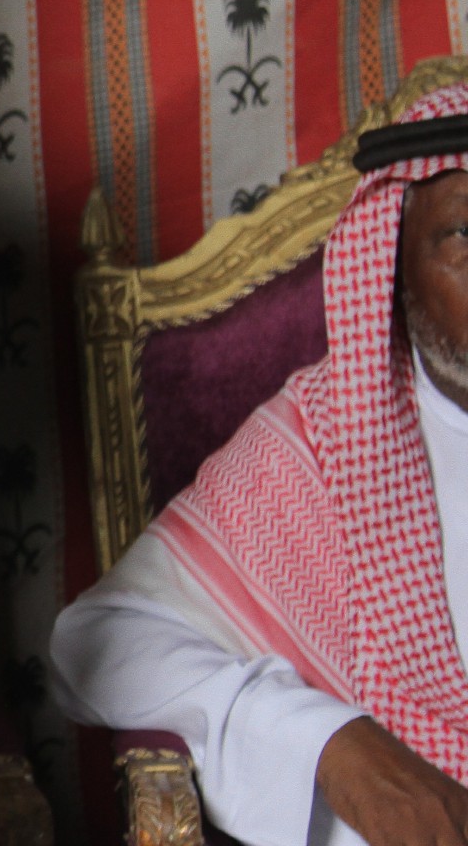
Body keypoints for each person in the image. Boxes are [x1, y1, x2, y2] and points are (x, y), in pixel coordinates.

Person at [54, 86, 468, 846]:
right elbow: (95, 645)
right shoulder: (320, 444)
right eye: (465, 235)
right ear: (393, 265)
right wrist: (329, 741)